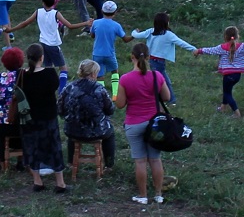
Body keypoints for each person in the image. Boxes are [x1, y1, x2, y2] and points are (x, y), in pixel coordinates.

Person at [116, 43, 171, 204]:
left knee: (140, 160)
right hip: (154, 123)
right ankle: (159, 194)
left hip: (134, 123)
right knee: (155, 159)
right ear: (148, 57)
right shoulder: (156, 76)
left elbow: (120, 104)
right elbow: (166, 97)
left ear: (132, 57)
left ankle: (143, 195)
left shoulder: (125, 79)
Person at [18, 43, 69, 193]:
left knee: (31, 147)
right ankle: (60, 183)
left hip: (29, 118)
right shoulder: (50, 73)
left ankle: (37, 181)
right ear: (42, 57)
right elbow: (55, 88)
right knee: (53, 147)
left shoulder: (22, 75)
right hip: (48, 116)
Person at [195, 26, 244, 118]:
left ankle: (237, 113)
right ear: (237, 36)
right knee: (227, 90)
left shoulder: (221, 47)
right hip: (237, 76)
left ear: (225, 36)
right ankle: (223, 107)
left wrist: (199, 51)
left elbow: (210, 50)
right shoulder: (243, 47)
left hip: (228, 76)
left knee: (227, 93)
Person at [131, 11, 197, 104]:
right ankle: (170, 100)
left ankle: (165, 99)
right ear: (166, 23)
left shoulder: (151, 31)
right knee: (163, 81)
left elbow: (136, 35)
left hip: (149, 60)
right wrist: (193, 49)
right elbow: (181, 42)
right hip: (158, 62)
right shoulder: (168, 34)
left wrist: (134, 31)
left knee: (154, 79)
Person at [59, 59, 115, 168]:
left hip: (72, 130)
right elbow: (110, 109)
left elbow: (60, 108)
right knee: (110, 133)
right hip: (97, 131)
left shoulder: (69, 87)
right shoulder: (99, 89)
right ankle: (109, 164)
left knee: (72, 126)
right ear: (94, 73)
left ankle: (71, 162)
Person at [5, 0, 73, 69]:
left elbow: (25, 23)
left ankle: (47, 81)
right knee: (63, 68)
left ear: (43, 2)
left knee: (47, 67)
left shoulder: (38, 12)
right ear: (54, 1)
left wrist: (10, 30)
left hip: (43, 43)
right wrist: (85, 23)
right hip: (53, 44)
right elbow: (70, 26)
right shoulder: (56, 13)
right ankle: (62, 82)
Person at [0, 47, 26, 171]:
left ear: (4, 62)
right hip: (19, 122)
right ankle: (21, 160)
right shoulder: (25, 77)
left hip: (0, 122)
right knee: (24, 127)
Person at [89, 0, 128, 77]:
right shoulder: (116, 25)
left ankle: (100, 89)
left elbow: (92, 35)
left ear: (102, 11)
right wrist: (134, 35)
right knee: (115, 71)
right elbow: (125, 39)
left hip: (97, 53)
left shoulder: (95, 23)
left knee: (99, 74)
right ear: (115, 12)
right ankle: (115, 89)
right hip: (109, 54)